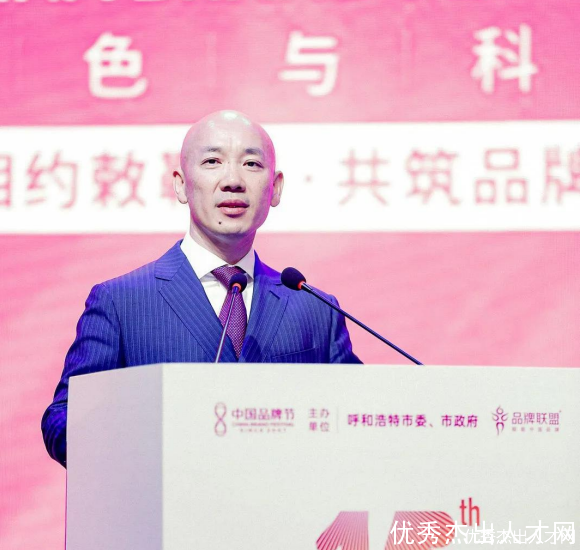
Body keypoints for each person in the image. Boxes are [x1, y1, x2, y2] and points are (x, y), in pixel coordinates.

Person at [41, 110, 361, 467]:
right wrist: (149, 444)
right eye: (212, 162)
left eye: (251, 164)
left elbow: (360, 419)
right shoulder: (120, 302)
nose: (233, 180)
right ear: (180, 184)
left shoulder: (315, 310)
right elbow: (63, 421)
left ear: (276, 188)